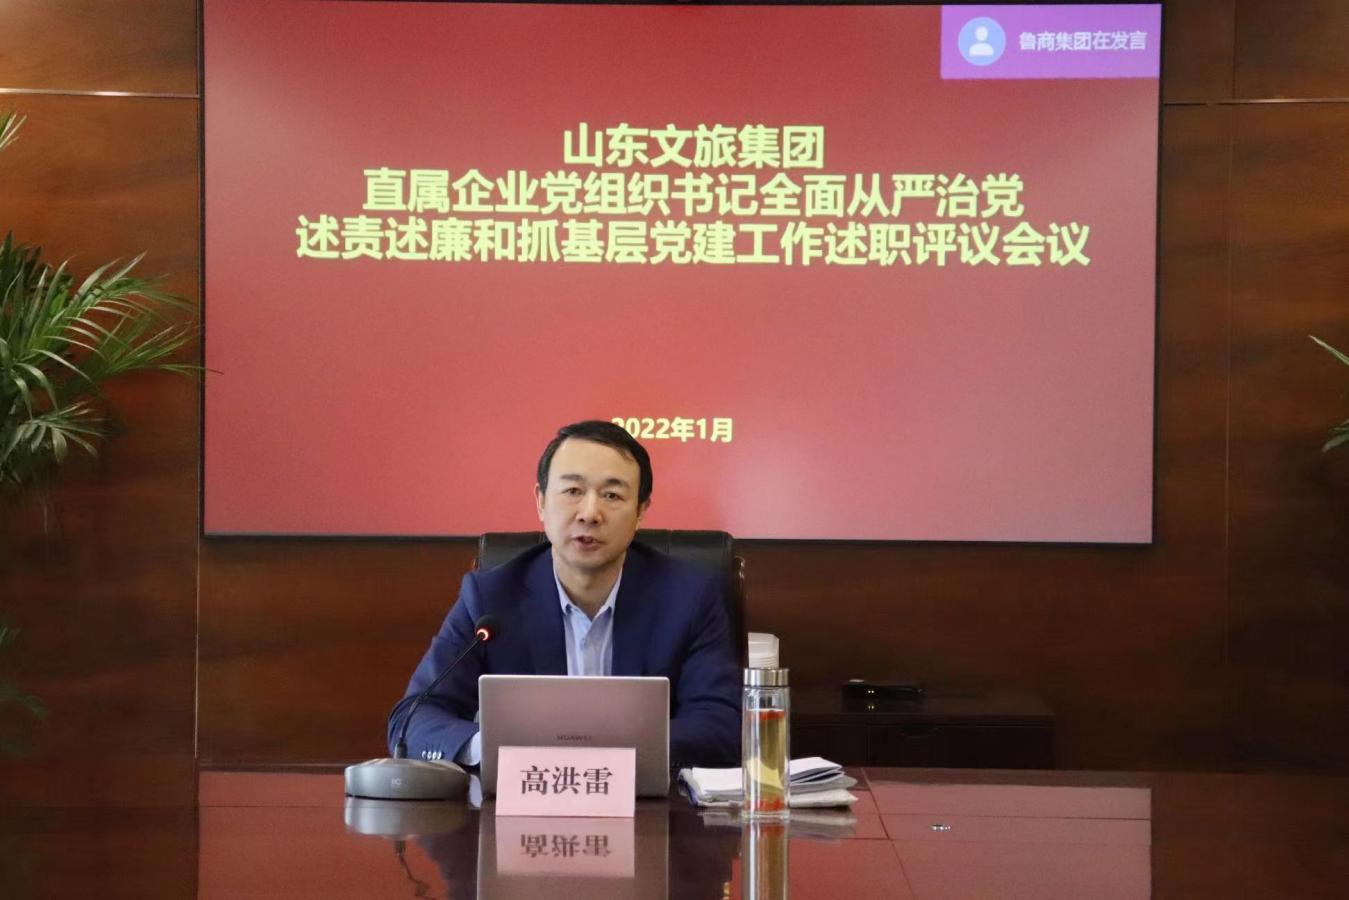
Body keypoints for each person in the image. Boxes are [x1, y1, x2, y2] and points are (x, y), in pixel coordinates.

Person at [388, 420, 740, 769]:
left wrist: (607, 749)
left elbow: (722, 726)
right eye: (573, 491)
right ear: (541, 501)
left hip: (646, 800)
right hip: (522, 797)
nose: (589, 513)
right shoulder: (489, 599)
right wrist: (495, 747)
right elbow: (414, 718)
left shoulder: (688, 598)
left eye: (612, 495)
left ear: (640, 512)